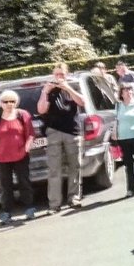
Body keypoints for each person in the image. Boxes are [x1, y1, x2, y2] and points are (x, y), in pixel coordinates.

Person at [37, 62, 86, 213]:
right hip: (53, 131)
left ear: (67, 75)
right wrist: (45, 92)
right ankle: (54, 204)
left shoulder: (73, 86)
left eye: (62, 74)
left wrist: (67, 87)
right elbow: (41, 109)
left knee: (74, 166)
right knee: (54, 169)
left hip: (72, 131)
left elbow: (82, 102)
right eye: (56, 74)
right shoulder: (48, 90)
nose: (59, 77)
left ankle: (74, 198)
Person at [0, 88, 36, 223]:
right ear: (0, 103)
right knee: (5, 186)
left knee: (24, 182)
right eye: (6, 101)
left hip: (21, 156)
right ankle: (6, 211)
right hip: (2, 158)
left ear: (16, 102)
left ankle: (29, 208)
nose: (9, 104)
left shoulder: (23, 115)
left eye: (12, 101)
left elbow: (30, 133)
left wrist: (26, 148)